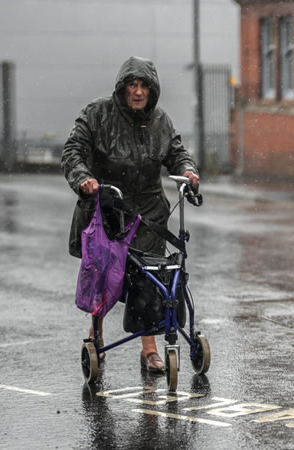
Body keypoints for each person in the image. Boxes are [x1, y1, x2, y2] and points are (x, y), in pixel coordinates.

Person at [61, 56, 199, 373]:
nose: (138, 92)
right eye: (132, 85)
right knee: (102, 273)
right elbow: (73, 151)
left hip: (149, 209)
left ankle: (149, 350)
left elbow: (177, 154)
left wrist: (188, 171)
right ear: (123, 88)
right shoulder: (97, 114)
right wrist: (83, 178)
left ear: (152, 91)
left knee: (150, 280)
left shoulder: (160, 121)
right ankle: (95, 335)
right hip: (108, 205)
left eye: (144, 87)